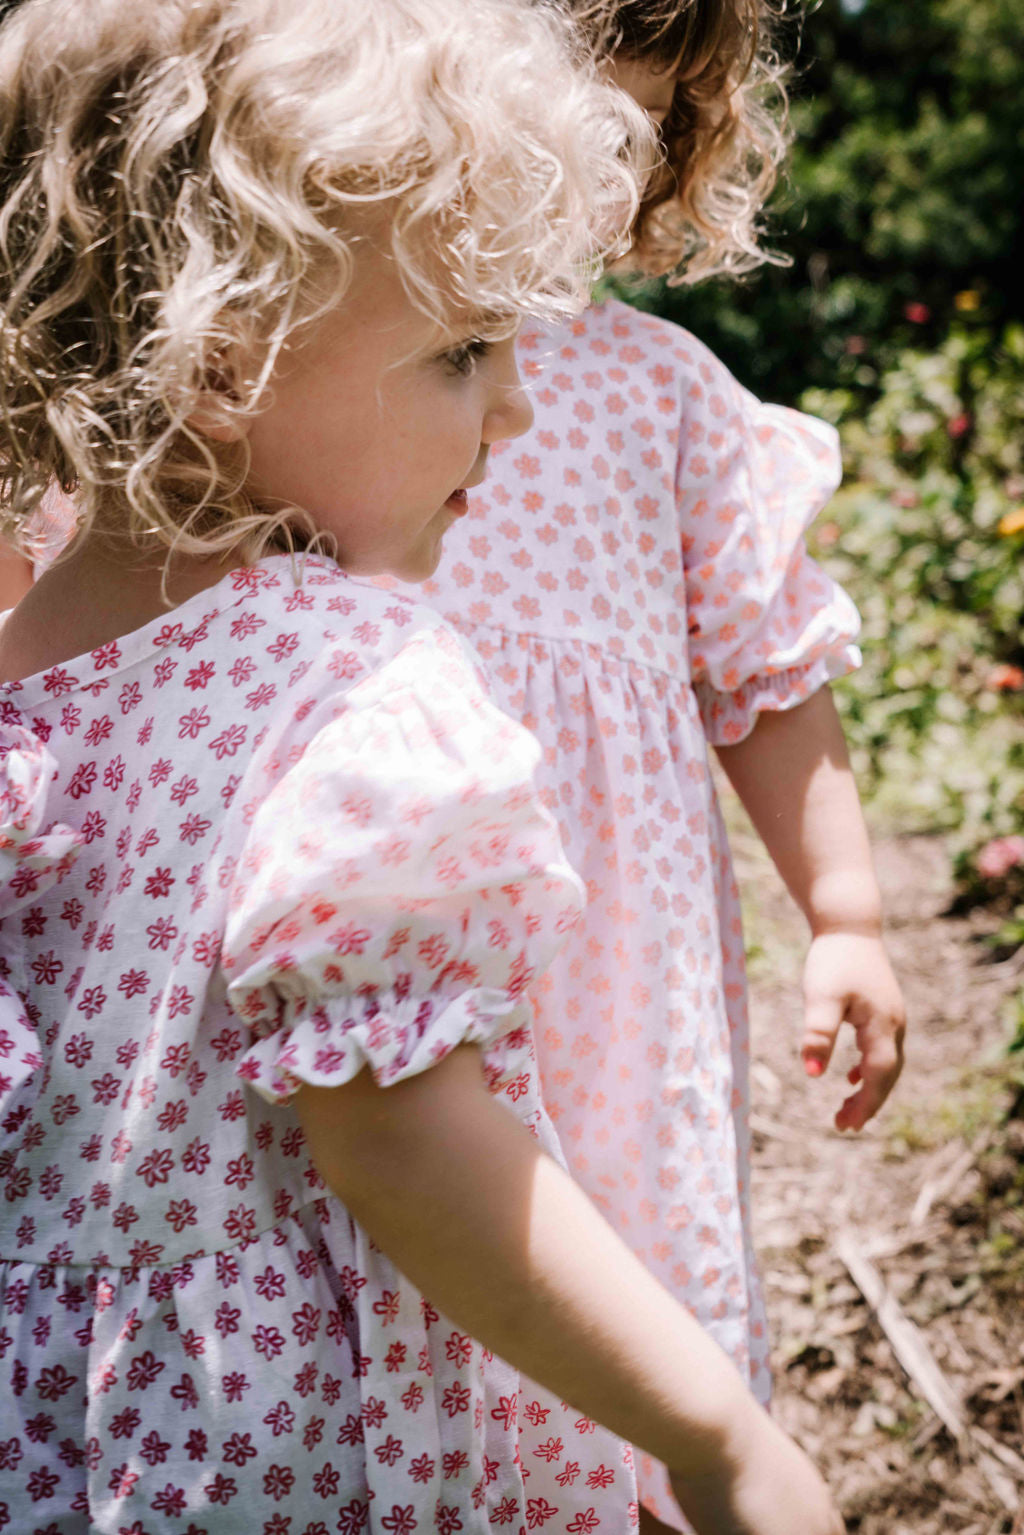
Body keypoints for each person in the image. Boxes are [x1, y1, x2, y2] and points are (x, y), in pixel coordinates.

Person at [0, 0, 845, 1531]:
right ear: (222, 357)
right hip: (279, 1454)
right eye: (465, 351)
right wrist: (714, 1432)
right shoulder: (351, 685)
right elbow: (398, 1134)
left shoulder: (27, 680)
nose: (516, 407)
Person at [374, 1, 907, 1528]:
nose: (601, 172)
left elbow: (765, 677)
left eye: (647, 130)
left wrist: (851, 914)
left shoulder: (661, 392)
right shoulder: (336, 366)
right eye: (568, 118)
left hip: (613, 961)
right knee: (397, 1243)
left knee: (626, 1227)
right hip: (400, 923)